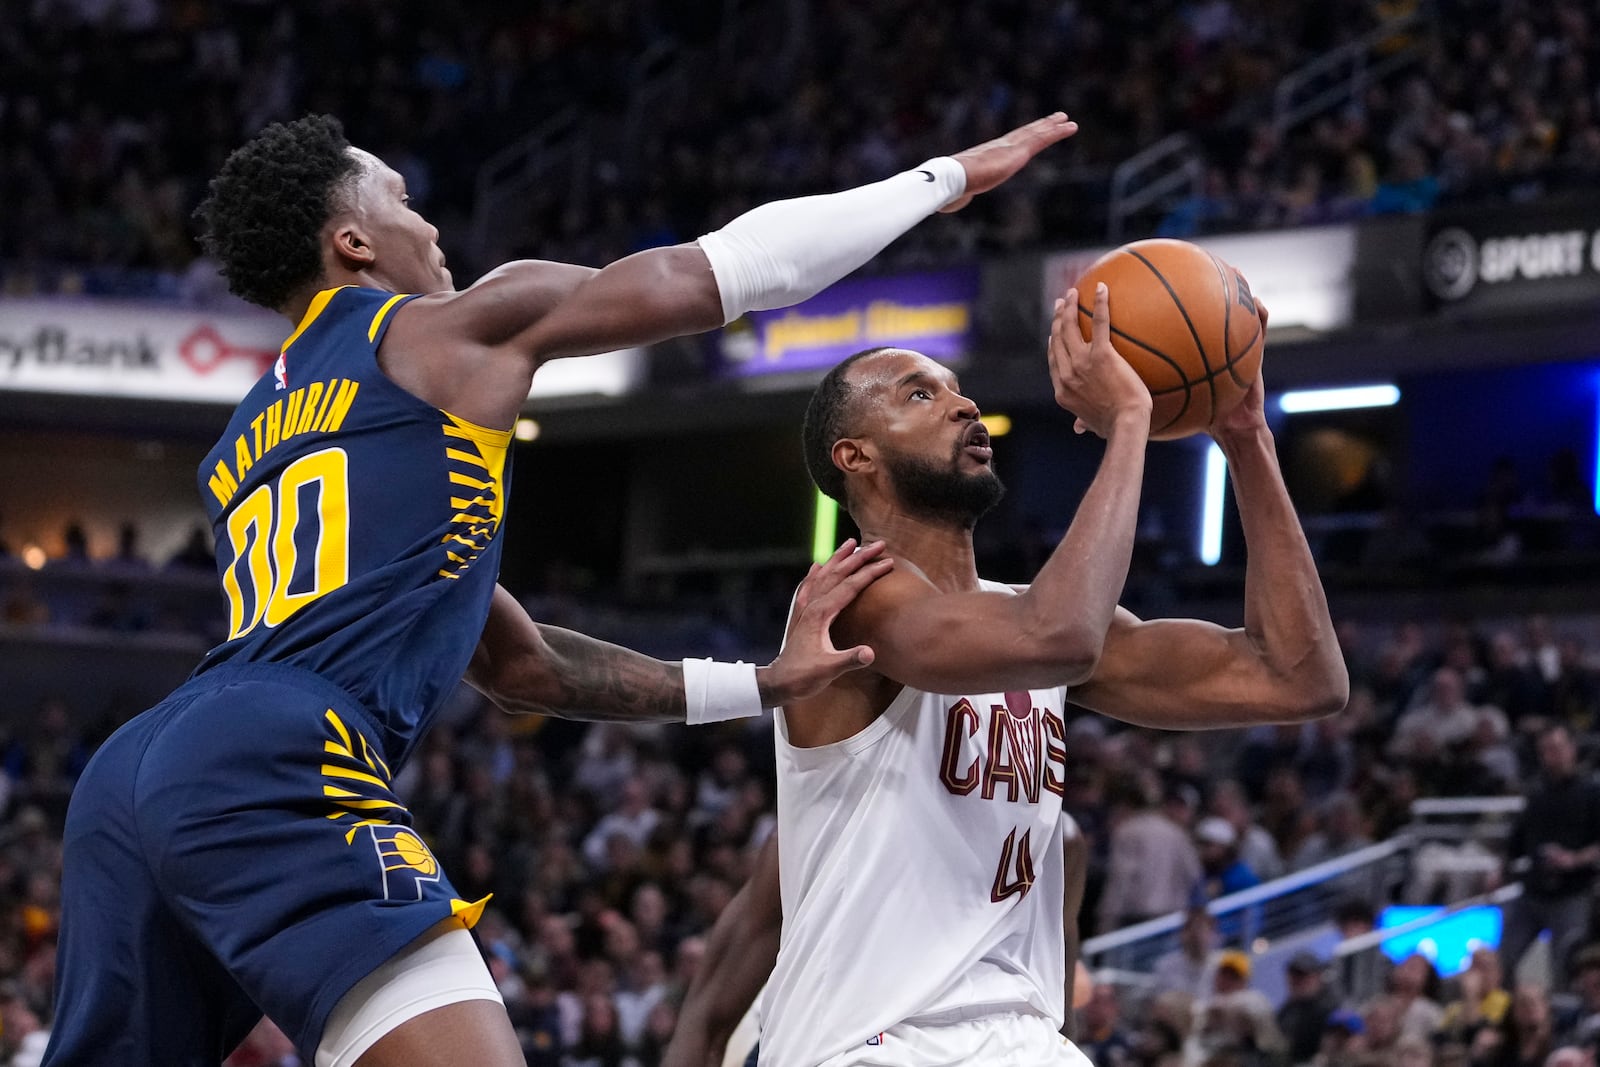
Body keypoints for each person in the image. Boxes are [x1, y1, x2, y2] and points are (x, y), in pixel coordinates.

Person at [43, 110, 1080, 1067]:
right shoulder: (445, 332)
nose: (432, 225)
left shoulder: (241, 446)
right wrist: (937, 179)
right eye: (401, 200)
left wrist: (762, 683)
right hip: (276, 745)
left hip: (138, 766)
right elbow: (729, 271)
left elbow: (520, 662)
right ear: (353, 244)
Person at [666, 288, 1347, 1065]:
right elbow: (1059, 633)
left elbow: (1300, 678)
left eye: (959, 390)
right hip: (875, 1042)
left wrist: (1245, 436)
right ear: (855, 456)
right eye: (921, 393)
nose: (963, 405)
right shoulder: (847, 601)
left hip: (1020, 1038)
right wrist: (1131, 422)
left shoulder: (1023, 618)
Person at [1498, 724, 1600, 985]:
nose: (1551, 755)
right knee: (1503, 959)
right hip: (1533, 891)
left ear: (1572, 750)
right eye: (1545, 750)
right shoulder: (1536, 793)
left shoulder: (1591, 792)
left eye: (1557, 748)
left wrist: (1574, 859)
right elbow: (1517, 841)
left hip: (1572, 893)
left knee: (1565, 966)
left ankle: (1562, 1021)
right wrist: (1500, 870)